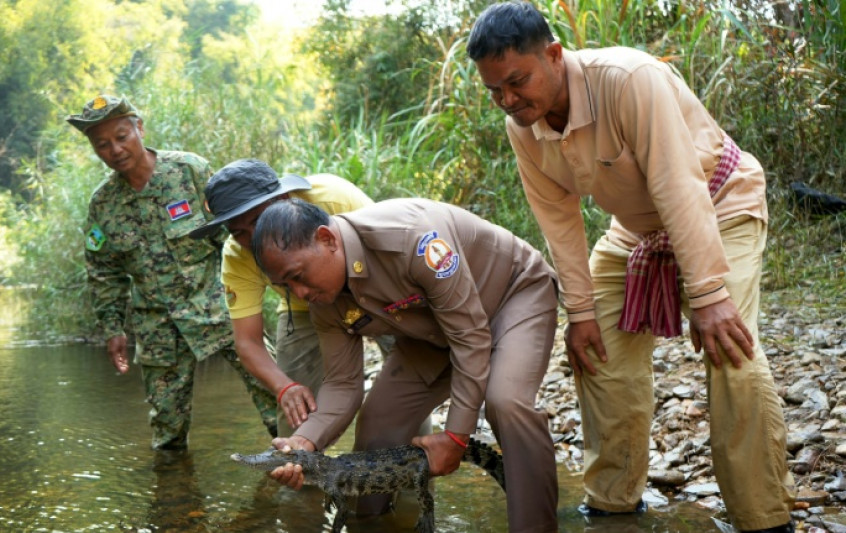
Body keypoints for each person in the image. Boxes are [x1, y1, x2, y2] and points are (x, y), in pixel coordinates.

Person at [466, 3, 794, 532]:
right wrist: (582, 312)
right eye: (494, 92)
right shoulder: (521, 125)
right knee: (596, 353)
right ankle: (613, 504)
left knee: (731, 351)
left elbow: (677, 184)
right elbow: (559, 221)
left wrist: (709, 295)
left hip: (717, 204)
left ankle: (764, 518)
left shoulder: (629, 78)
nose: (507, 101)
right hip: (635, 230)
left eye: (516, 82)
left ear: (553, 55)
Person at [251, 198, 560, 533]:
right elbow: (341, 385)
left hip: (511, 296)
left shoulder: (412, 240)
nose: (298, 292)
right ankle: (368, 524)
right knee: (379, 421)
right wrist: (303, 444)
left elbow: (470, 338)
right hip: (435, 334)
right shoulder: (323, 300)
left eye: (298, 276)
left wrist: (455, 437)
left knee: (506, 403)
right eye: (286, 286)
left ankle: (537, 526)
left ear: (327, 240)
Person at [67, 94, 276, 450]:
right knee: (167, 431)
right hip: (157, 328)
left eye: (122, 136)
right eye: (102, 144)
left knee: (274, 389)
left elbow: (235, 234)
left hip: (220, 308)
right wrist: (112, 328)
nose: (115, 149)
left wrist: (268, 286)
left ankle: (304, 459)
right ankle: (174, 499)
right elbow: (103, 271)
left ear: (140, 128)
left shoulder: (190, 172)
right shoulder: (103, 205)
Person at [188, 159, 374, 437]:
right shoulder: (238, 255)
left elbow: (389, 253)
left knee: (406, 389)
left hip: (374, 290)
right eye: (238, 232)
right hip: (304, 308)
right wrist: (284, 387)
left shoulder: (333, 199)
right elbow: (247, 342)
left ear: (283, 198)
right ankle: (299, 470)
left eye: (258, 220)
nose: (253, 240)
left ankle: (412, 474)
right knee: (295, 417)